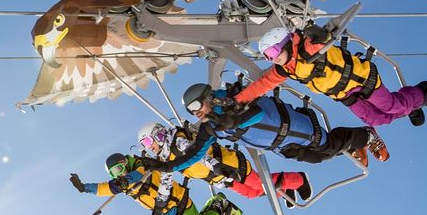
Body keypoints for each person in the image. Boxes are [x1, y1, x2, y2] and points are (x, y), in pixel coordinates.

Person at [152, 83, 387, 176]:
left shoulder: (236, 96)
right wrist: (167, 166)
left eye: (196, 106)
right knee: (318, 159)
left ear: (208, 97)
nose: (195, 113)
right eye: (190, 111)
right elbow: (195, 153)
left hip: (297, 126)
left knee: (328, 145)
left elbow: (258, 112)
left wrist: (234, 122)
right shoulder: (209, 128)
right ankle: (353, 144)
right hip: (285, 145)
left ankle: (366, 135)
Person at [238, 24, 427, 127]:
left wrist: (320, 34)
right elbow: (262, 85)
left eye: (273, 52)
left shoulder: (306, 47)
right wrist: (238, 100)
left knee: (391, 106)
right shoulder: (285, 69)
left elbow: (323, 39)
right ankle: (411, 106)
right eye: (267, 57)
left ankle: (425, 92)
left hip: (362, 79)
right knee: (375, 119)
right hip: (344, 95)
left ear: (284, 43)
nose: (272, 59)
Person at [69, 153, 238, 215]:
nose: (118, 174)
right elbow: (105, 188)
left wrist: (123, 181)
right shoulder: (122, 184)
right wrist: (84, 188)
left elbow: (137, 175)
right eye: (113, 173)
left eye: (119, 169)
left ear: (125, 163)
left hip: (180, 203)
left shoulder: (142, 165)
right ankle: (211, 209)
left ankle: (218, 205)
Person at [137, 121, 311, 205]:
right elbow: (166, 180)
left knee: (259, 183)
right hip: (220, 178)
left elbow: (198, 154)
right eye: (144, 146)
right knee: (251, 193)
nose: (149, 147)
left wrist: (216, 165)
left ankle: (300, 180)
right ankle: (285, 190)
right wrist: (160, 203)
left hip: (228, 165)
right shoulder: (166, 160)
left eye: (147, 142)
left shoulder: (178, 142)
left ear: (158, 135)